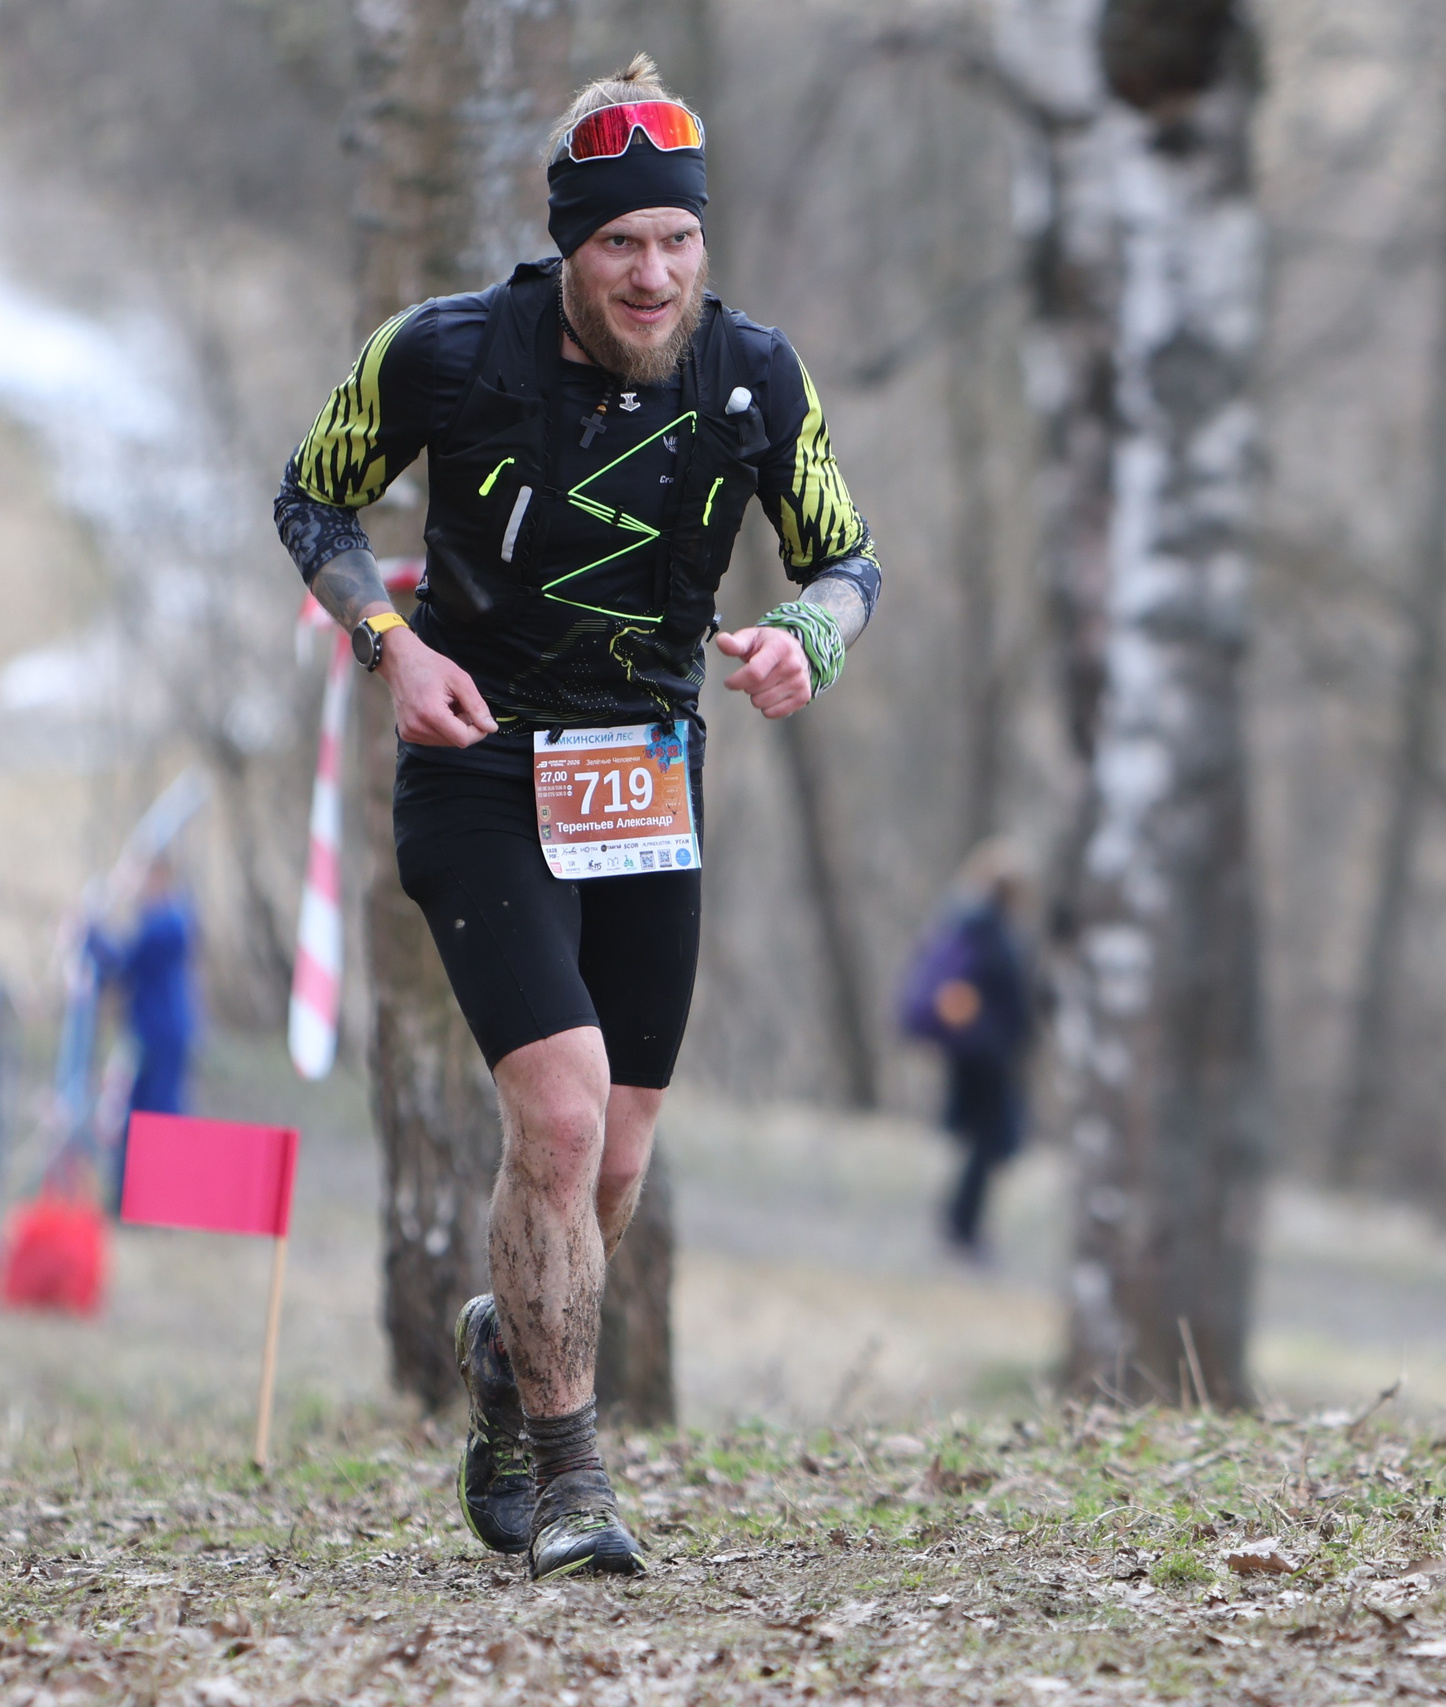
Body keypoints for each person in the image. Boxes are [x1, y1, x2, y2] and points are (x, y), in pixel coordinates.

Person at [273, 56, 881, 1581]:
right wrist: (387, 646)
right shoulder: (447, 353)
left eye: (677, 239)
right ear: (571, 244)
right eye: (622, 244)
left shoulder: (757, 378)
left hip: (646, 781)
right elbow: (310, 497)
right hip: (481, 768)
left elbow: (850, 557)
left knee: (606, 1167)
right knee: (549, 1117)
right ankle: (569, 1477)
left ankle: (507, 1345)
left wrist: (803, 638)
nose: (655, 273)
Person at [901, 842, 1035, 1260]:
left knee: (985, 1139)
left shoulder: (966, 921)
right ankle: (961, 1228)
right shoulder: (984, 929)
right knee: (991, 1138)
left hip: (979, 1048)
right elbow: (1000, 991)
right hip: (982, 1051)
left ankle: (960, 1224)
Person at [86, 859, 196, 1208]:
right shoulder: (158, 923)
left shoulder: (169, 924)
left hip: (162, 1036)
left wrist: (90, 933)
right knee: (135, 1111)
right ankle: (131, 1197)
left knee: (157, 1115)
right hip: (148, 1033)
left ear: (159, 880)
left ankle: (155, 1199)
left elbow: (123, 962)